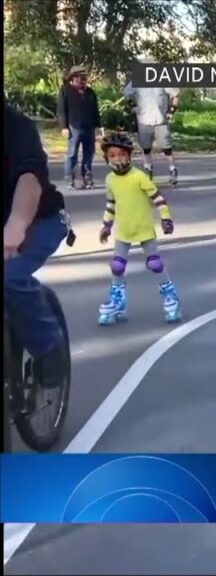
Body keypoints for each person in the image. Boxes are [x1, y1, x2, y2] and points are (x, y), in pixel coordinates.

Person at [3, 103, 70, 389]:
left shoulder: (14, 125)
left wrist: (16, 224)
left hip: (39, 219)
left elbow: (29, 176)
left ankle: (49, 347)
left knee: (10, 276)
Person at [96, 131, 181, 325]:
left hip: (143, 228)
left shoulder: (139, 176)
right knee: (117, 266)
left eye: (122, 154)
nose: (117, 159)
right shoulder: (110, 180)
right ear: (107, 158)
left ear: (129, 155)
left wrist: (166, 219)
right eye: (112, 155)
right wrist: (106, 225)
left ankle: (170, 298)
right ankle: (118, 301)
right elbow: (111, 204)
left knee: (154, 263)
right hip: (123, 231)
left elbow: (158, 199)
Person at [123, 67, 181, 186]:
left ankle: (173, 171)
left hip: (160, 120)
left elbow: (176, 95)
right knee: (146, 148)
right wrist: (132, 105)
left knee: (167, 148)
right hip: (144, 119)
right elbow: (127, 94)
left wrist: (171, 111)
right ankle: (148, 171)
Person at [57, 65, 101, 190]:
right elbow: (61, 110)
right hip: (73, 127)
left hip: (89, 127)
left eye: (84, 77)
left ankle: (87, 178)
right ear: (73, 78)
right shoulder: (65, 90)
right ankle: (69, 179)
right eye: (80, 77)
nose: (83, 79)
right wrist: (63, 127)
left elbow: (96, 110)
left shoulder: (90, 92)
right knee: (72, 154)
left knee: (89, 154)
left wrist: (98, 127)